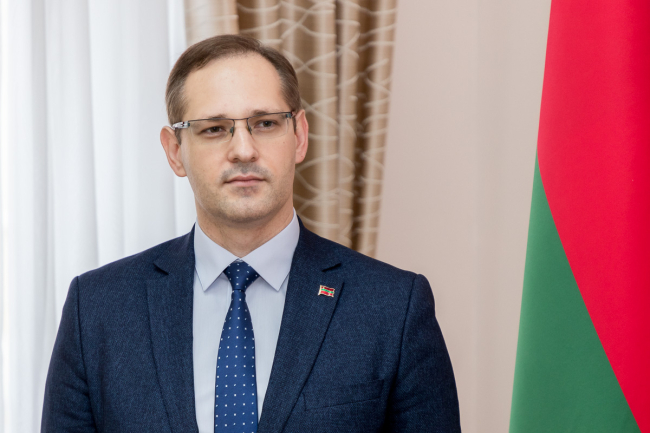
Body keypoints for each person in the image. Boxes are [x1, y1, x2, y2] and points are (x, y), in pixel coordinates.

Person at [42, 34, 460, 433]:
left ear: (299, 137)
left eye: (264, 123)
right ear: (175, 151)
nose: (243, 150)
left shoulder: (394, 308)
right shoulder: (96, 310)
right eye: (213, 128)